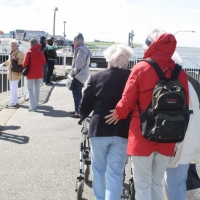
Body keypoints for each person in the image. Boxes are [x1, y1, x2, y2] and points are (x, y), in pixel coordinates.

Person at [105, 29, 189, 200]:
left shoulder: (141, 67)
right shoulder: (180, 71)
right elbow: (185, 102)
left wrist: (119, 113)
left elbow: (127, 99)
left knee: (142, 182)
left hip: (142, 132)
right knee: (157, 181)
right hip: (169, 133)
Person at [79, 44, 133, 200]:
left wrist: (82, 114)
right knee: (115, 172)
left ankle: (100, 198)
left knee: (98, 169)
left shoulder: (96, 77)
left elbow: (85, 107)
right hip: (122, 130)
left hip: (99, 129)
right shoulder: (132, 78)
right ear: (126, 60)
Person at [164, 81, 200, 200]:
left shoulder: (171, 84)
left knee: (174, 184)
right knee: (178, 183)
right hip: (190, 139)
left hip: (178, 141)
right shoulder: (189, 82)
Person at [70, 33, 92, 118]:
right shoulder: (83, 48)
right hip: (82, 73)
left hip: (80, 74)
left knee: (76, 92)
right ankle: (78, 110)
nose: (73, 42)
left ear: (78, 41)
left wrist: (74, 72)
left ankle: (79, 112)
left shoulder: (80, 49)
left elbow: (79, 63)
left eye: (74, 40)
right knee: (77, 92)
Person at [23, 39, 46, 111]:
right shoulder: (41, 52)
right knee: (37, 88)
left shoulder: (29, 53)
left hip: (31, 73)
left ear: (31, 44)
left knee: (30, 89)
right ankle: (36, 103)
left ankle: (32, 106)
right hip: (39, 72)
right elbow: (43, 62)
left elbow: (25, 64)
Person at [2, 39, 24, 107]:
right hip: (12, 73)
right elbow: (9, 61)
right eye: (11, 46)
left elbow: (22, 62)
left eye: (14, 46)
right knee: (13, 88)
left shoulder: (19, 53)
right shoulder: (12, 52)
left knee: (13, 89)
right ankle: (15, 101)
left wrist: (16, 59)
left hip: (15, 73)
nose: (12, 47)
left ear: (17, 46)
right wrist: (4, 64)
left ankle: (13, 102)